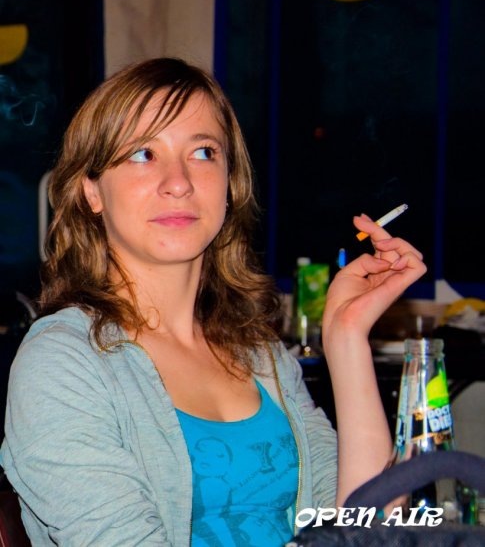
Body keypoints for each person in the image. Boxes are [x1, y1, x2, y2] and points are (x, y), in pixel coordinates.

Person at [0, 58, 426, 546]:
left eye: (203, 152)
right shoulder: (63, 361)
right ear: (91, 191)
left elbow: (370, 529)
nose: (179, 181)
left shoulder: (261, 355)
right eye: (143, 154)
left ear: (229, 185)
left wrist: (346, 338)